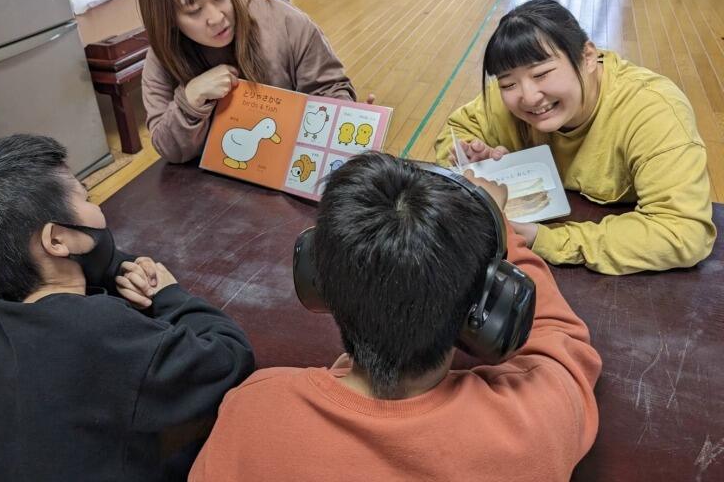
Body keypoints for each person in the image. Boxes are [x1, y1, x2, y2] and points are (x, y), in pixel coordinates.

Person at [188, 151, 601, 482]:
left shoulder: (254, 412)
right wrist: (501, 228)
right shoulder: (536, 425)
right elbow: (560, 341)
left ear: (316, 278)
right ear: (493, 305)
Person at [0, 134, 254, 482]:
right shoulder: (97, 329)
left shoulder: (2, 309)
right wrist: (167, 293)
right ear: (56, 240)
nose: (97, 209)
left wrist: (117, 269)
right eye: (87, 197)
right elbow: (230, 359)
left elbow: (91, 264)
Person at [434, 0, 716, 275]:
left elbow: (683, 231)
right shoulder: (506, 98)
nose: (529, 96)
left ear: (588, 57)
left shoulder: (651, 111)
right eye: (508, 83)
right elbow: (457, 130)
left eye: (542, 74)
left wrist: (547, 240)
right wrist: (468, 158)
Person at [134, 0, 359, 164]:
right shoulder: (162, 56)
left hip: (290, 165)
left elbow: (331, 90)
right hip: (214, 184)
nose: (217, 18)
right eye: (194, 10)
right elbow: (169, 149)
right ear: (168, 19)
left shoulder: (285, 22)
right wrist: (190, 98)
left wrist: (348, 119)